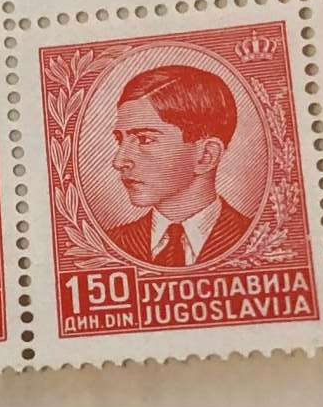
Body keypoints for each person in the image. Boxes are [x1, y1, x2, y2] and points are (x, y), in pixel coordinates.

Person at [106, 65, 253, 267]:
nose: (118, 161)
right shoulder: (111, 244)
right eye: (120, 140)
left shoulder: (256, 239)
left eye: (144, 139)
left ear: (206, 156)